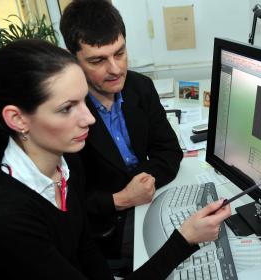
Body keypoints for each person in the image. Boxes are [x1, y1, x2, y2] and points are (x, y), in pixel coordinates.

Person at [0, 39, 231, 279]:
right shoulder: (8, 219)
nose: (89, 118)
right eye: (67, 108)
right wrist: (185, 239)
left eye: (83, 101)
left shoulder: (65, 163)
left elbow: (86, 252)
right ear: (17, 119)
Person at [59, 0, 183, 271]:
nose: (115, 69)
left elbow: (169, 151)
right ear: (73, 59)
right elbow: (68, 199)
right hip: (104, 231)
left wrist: (142, 185)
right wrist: (122, 199)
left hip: (147, 201)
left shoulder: (141, 87)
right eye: (98, 60)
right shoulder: (65, 112)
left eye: (120, 53)